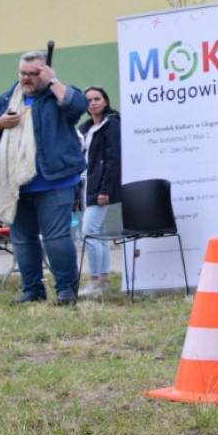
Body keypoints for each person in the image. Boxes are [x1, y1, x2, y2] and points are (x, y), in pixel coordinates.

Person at [0, 50, 87, 305]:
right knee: (23, 240)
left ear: (45, 72)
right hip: (14, 184)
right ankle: (32, 291)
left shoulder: (56, 94)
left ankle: (66, 291)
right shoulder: (9, 97)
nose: (26, 78)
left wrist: (54, 82)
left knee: (56, 237)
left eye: (33, 74)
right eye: (22, 73)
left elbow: (77, 106)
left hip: (54, 180)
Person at [77, 86, 122, 298]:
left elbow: (113, 158)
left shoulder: (111, 124)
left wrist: (106, 189)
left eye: (97, 98)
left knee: (89, 232)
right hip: (85, 186)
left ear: (105, 101)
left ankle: (94, 280)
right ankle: (103, 280)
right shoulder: (85, 128)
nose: (93, 103)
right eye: (89, 100)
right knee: (98, 233)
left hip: (100, 187)